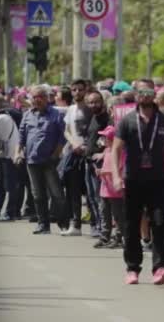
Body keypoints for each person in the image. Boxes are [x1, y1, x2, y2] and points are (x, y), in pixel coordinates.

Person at [111, 83, 164, 285]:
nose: (145, 96)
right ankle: (132, 268)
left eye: (149, 92)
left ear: (155, 95)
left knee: (159, 223)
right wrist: (116, 176)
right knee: (132, 224)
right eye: (141, 92)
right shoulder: (127, 121)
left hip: (159, 180)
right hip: (133, 180)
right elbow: (116, 149)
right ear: (136, 96)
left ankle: (160, 267)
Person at [16, 85, 66, 235]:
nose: (37, 100)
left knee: (56, 193)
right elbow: (21, 136)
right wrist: (18, 153)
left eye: (40, 97)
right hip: (32, 160)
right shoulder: (27, 115)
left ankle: (64, 223)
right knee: (37, 195)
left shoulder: (56, 114)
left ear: (46, 98)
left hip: (50, 161)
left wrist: (55, 155)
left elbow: (62, 137)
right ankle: (43, 224)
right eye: (34, 97)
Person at [61, 79, 95, 237]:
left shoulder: (91, 108)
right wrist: (74, 143)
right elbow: (66, 130)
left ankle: (96, 225)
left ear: (86, 90)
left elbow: (95, 131)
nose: (76, 93)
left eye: (80, 90)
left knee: (91, 192)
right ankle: (76, 225)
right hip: (73, 153)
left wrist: (86, 146)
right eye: (74, 90)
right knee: (73, 191)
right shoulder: (70, 109)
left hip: (89, 154)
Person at [85, 91, 112, 247]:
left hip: (101, 165)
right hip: (89, 163)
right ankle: (100, 229)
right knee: (93, 199)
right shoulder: (93, 117)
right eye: (90, 102)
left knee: (103, 202)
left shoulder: (108, 119)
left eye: (96, 102)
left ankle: (105, 234)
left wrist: (102, 156)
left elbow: (110, 141)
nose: (93, 105)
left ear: (102, 101)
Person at [96, 125, 125, 249]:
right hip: (105, 188)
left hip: (115, 190)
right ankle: (104, 236)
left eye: (106, 137)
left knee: (117, 214)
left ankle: (118, 237)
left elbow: (119, 168)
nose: (104, 139)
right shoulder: (106, 150)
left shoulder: (120, 152)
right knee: (104, 212)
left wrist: (104, 172)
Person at [0, 94, 21, 221]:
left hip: (8, 156)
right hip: (8, 155)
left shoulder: (0, 118)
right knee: (1, 184)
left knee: (9, 186)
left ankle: (10, 213)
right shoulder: (7, 116)